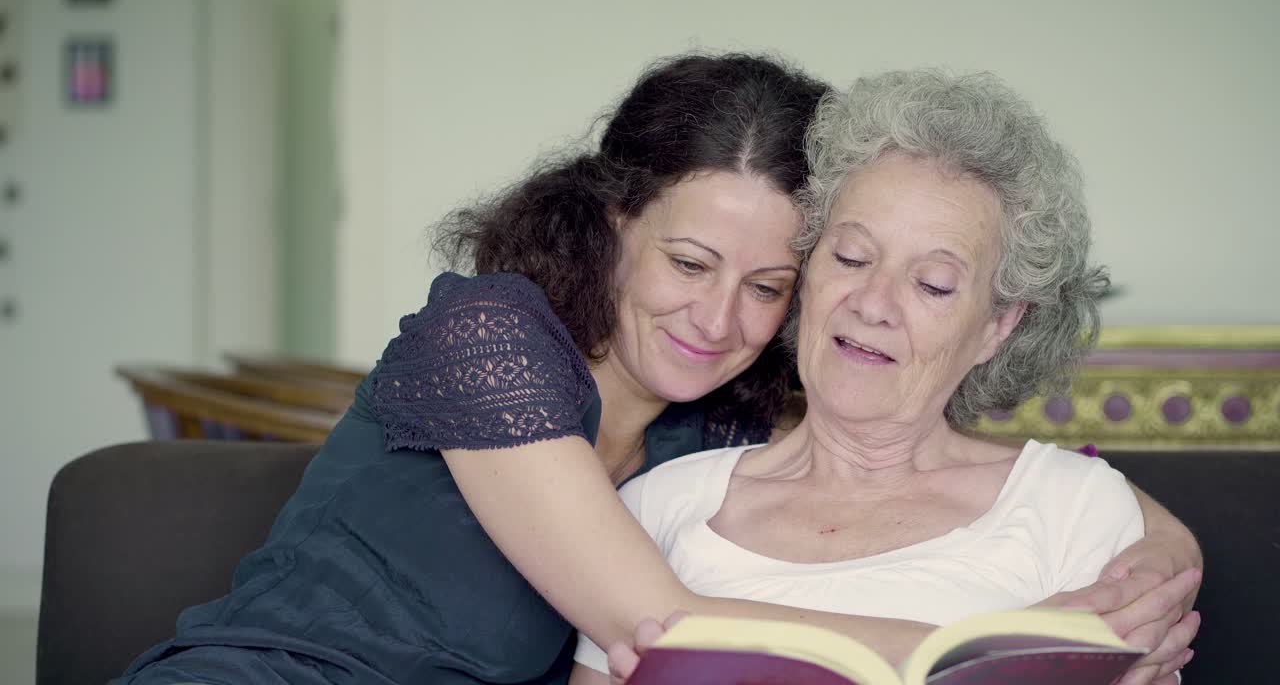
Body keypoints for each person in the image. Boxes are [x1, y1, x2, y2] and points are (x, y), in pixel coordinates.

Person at [117, 55, 1198, 685]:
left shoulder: (708, 437)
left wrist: (1161, 547)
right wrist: (1006, 657)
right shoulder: (487, 338)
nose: (719, 318)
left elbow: (992, 476)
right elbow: (662, 629)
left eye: (769, 284)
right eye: (688, 262)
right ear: (610, 219)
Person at [572, 70, 1199, 685]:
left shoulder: (1075, 510)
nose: (872, 303)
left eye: (932, 284)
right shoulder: (659, 505)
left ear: (998, 326)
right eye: (850, 257)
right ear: (805, 274)